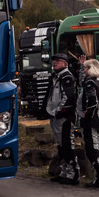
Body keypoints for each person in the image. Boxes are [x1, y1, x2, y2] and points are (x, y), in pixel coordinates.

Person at [42, 53, 79, 185]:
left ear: (65, 63)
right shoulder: (56, 76)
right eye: (54, 61)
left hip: (65, 117)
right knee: (61, 146)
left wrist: (59, 112)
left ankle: (73, 174)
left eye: (58, 61)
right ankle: (63, 172)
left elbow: (68, 98)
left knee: (67, 144)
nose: (55, 63)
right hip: (55, 116)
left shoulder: (67, 77)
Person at [78, 55, 99, 188]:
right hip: (98, 116)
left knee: (92, 148)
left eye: (85, 68)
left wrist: (87, 113)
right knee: (97, 146)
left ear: (90, 69)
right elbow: (82, 83)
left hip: (92, 119)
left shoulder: (91, 82)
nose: (84, 71)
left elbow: (92, 100)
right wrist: (81, 65)